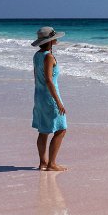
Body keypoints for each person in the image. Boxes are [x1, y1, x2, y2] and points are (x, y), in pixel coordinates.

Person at [31, 26, 68, 171]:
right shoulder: (49, 56)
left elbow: (36, 78)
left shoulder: (36, 55)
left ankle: (42, 163)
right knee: (61, 129)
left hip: (39, 95)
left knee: (43, 130)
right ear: (50, 41)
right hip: (50, 96)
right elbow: (48, 80)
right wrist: (58, 101)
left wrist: (38, 96)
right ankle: (51, 163)